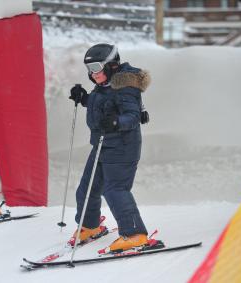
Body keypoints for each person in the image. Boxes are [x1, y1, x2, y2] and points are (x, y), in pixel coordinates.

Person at [68, 43, 151, 252]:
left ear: (111, 65)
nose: (93, 73)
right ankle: (90, 226)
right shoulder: (106, 84)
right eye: (89, 69)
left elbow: (132, 117)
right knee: (87, 189)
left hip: (123, 147)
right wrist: (85, 98)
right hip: (103, 145)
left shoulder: (125, 86)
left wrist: (116, 122)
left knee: (115, 190)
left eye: (96, 67)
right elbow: (105, 105)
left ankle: (135, 234)